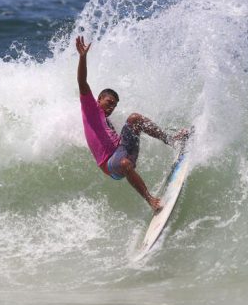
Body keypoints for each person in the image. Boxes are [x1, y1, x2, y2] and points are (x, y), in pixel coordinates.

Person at [75, 36, 188, 212]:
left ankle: (172, 140)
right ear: (99, 99)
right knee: (125, 164)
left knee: (134, 118)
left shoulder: (107, 122)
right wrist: (82, 57)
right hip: (110, 164)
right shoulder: (90, 109)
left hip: (122, 151)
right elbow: (82, 82)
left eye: (115, 105)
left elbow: (121, 139)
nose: (112, 107)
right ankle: (150, 200)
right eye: (109, 102)